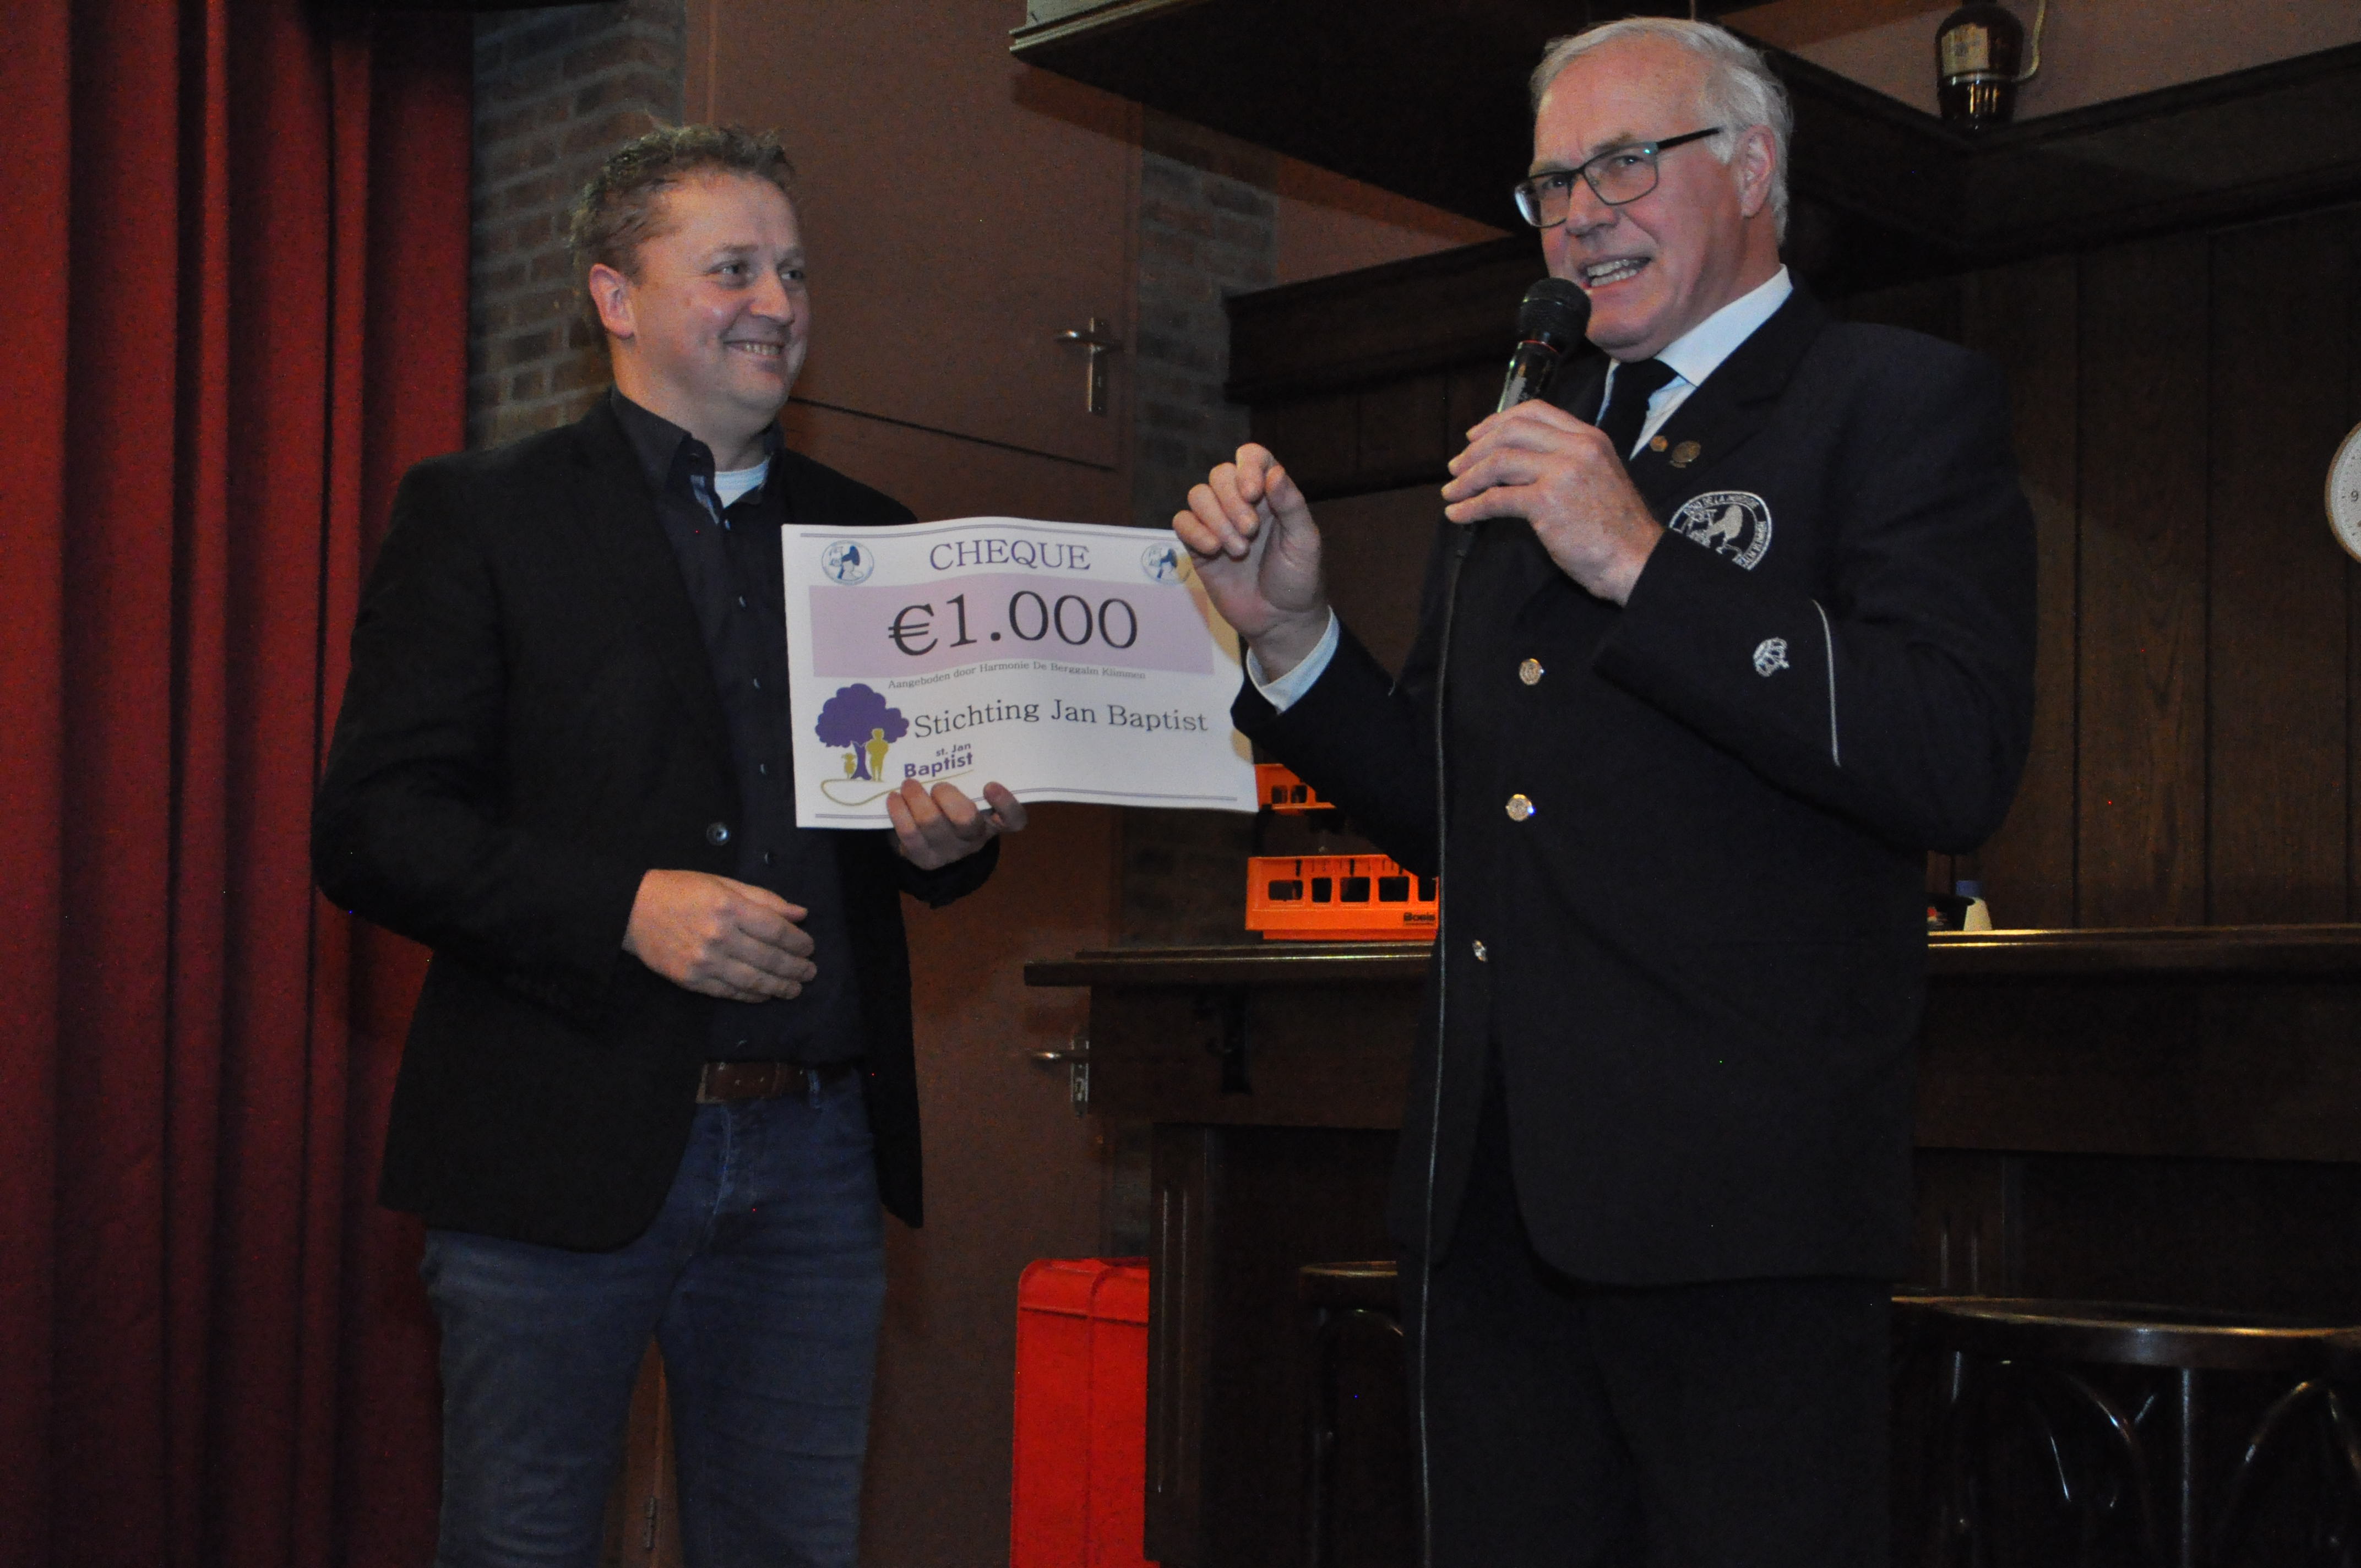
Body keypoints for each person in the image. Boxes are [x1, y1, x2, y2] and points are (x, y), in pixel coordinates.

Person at [1176, 19, 2034, 1566]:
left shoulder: (1894, 400)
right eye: (1552, 184)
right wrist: (1295, 638)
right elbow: (1456, 809)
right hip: (1492, 1202)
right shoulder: (1540, 436)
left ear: (1754, 169)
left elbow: (1953, 753)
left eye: (1626, 164)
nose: (1580, 216)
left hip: (1740, 1217)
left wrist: (1644, 562)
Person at [313, 125, 1024, 1568]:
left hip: (817, 1157)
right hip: (547, 1146)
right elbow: (373, 825)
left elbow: (901, 831)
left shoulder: (878, 540)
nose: (778, 302)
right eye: (734, 268)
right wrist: (623, 907)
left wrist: (947, 841)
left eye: (796, 271)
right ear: (616, 298)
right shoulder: (483, 512)